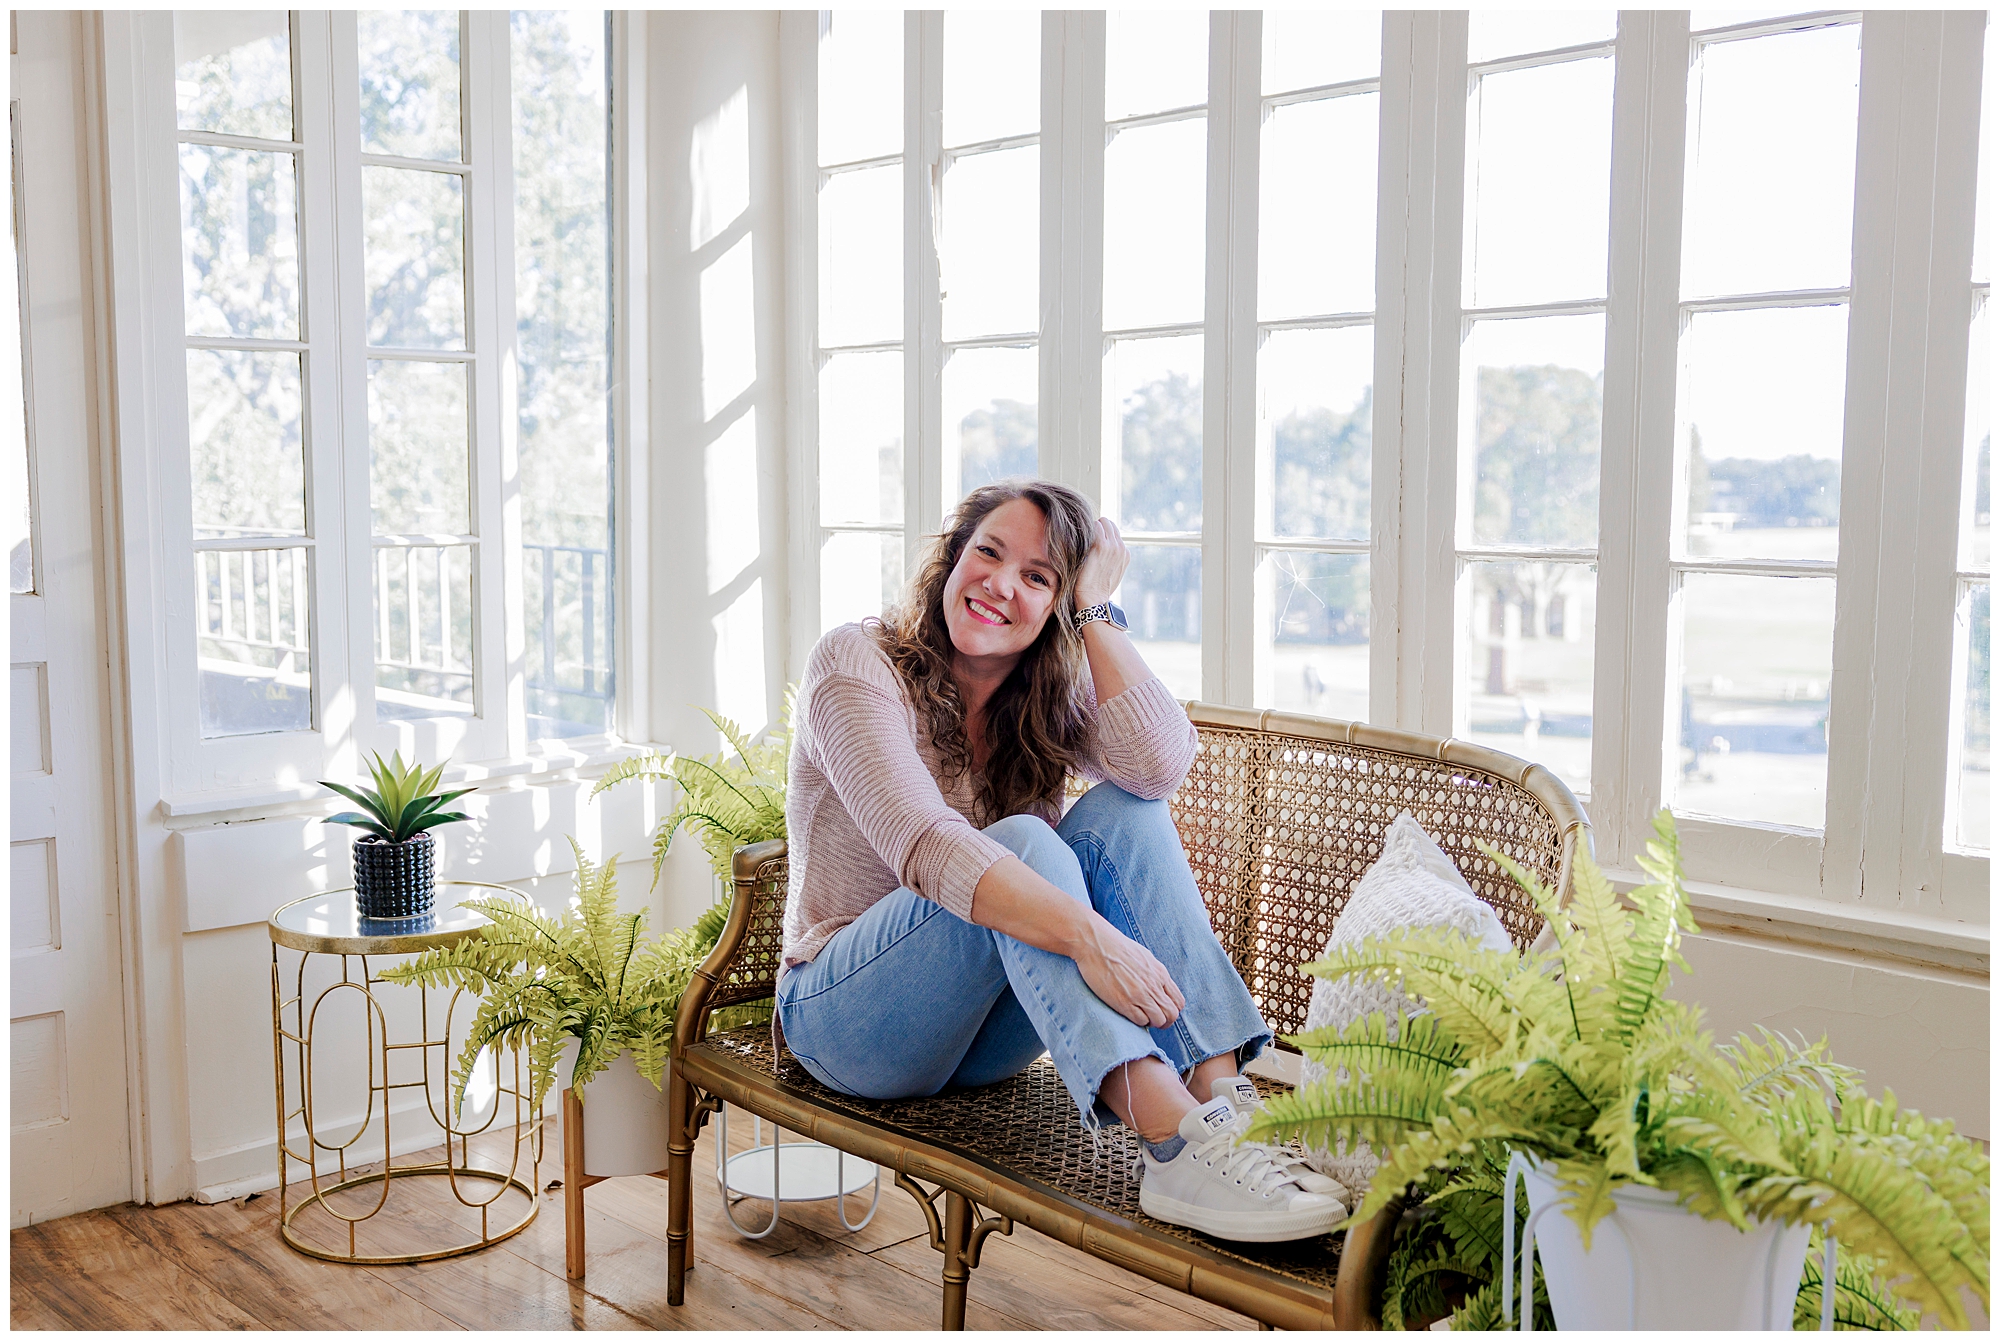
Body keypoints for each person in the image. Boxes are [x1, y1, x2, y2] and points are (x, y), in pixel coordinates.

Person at [776, 479, 1346, 1242]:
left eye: (1039, 577)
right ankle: (1174, 1143)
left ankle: (1222, 1106)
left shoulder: (1043, 693)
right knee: (1019, 842)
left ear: (1056, 607)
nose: (1001, 584)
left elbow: (1160, 766)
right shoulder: (856, 662)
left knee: (1123, 810)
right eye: (988, 552)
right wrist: (1090, 936)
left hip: (981, 1036)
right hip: (846, 1020)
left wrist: (1098, 612)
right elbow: (924, 843)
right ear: (952, 560)